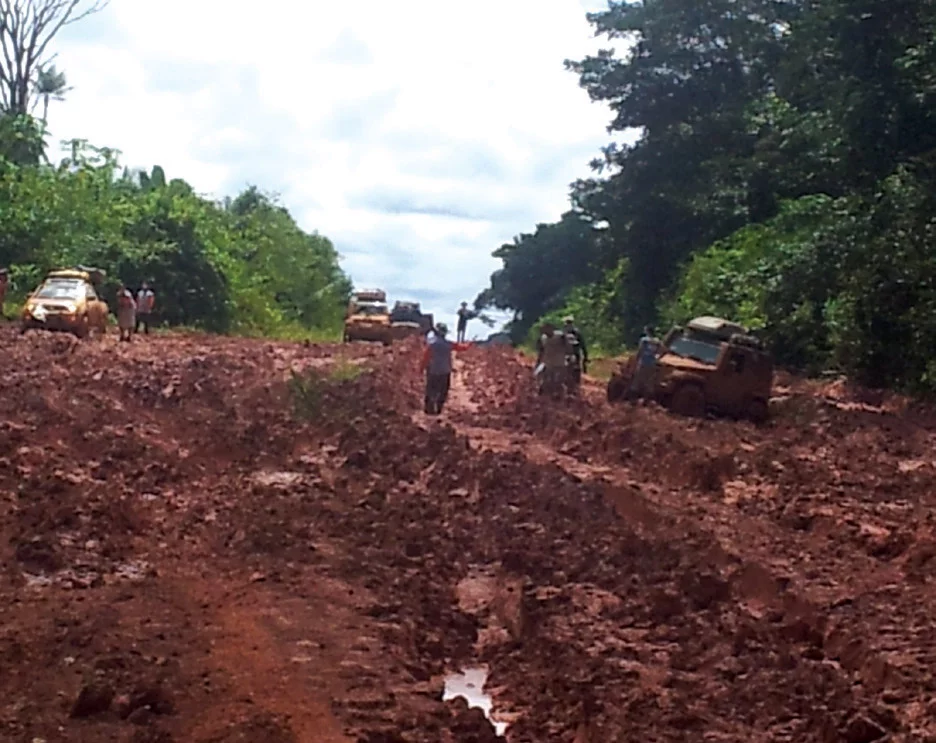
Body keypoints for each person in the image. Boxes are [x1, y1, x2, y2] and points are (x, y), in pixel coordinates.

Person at [420, 323, 467, 414]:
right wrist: (469, 344)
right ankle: (438, 409)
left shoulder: (432, 344)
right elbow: (462, 348)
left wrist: (421, 369)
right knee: (443, 391)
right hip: (445, 371)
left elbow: (426, 358)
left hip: (433, 370)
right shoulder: (448, 344)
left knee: (431, 390)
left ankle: (429, 409)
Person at [535, 322, 571, 397]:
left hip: (560, 362)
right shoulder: (543, 338)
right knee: (544, 381)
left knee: (559, 381)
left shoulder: (560, 336)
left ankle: (564, 395)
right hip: (548, 363)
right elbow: (541, 351)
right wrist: (538, 362)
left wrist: (569, 355)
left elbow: (567, 346)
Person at [630, 325, 661, 397]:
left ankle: (633, 397)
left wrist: (636, 360)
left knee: (637, 379)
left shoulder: (644, 340)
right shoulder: (657, 341)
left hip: (644, 362)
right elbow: (660, 351)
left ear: (647, 331)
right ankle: (647, 399)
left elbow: (640, 350)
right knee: (649, 381)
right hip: (652, 363)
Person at [562, 315, 588, 386]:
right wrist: (585, 356)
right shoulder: (577, 332)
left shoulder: (563, 333)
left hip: (568, 354)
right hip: (574, 354)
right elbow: (583, 345)